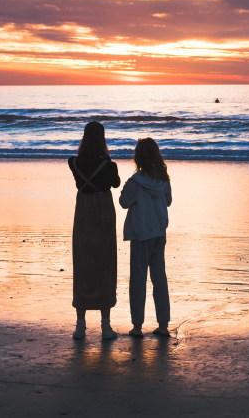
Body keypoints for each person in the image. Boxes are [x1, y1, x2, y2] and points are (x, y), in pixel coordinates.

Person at [68, 121, 120, 340]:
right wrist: (107, 161)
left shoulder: (73, 162)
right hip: (103, 210)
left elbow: (80, 183)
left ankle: (80, 325)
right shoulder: (109, 165)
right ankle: (105, 326)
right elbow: (115, 184)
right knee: (104, 264)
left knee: (83, 263)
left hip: (83, 211)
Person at [119, 137, 172, 337]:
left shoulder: (135, 182)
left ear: (138, 157)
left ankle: (137, 326)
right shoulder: (163, 179)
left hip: (141, 233)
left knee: (138, 280)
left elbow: (124, 202)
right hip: (159, 231)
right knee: (159, 278)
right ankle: (163, 324)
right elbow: (168, 201)